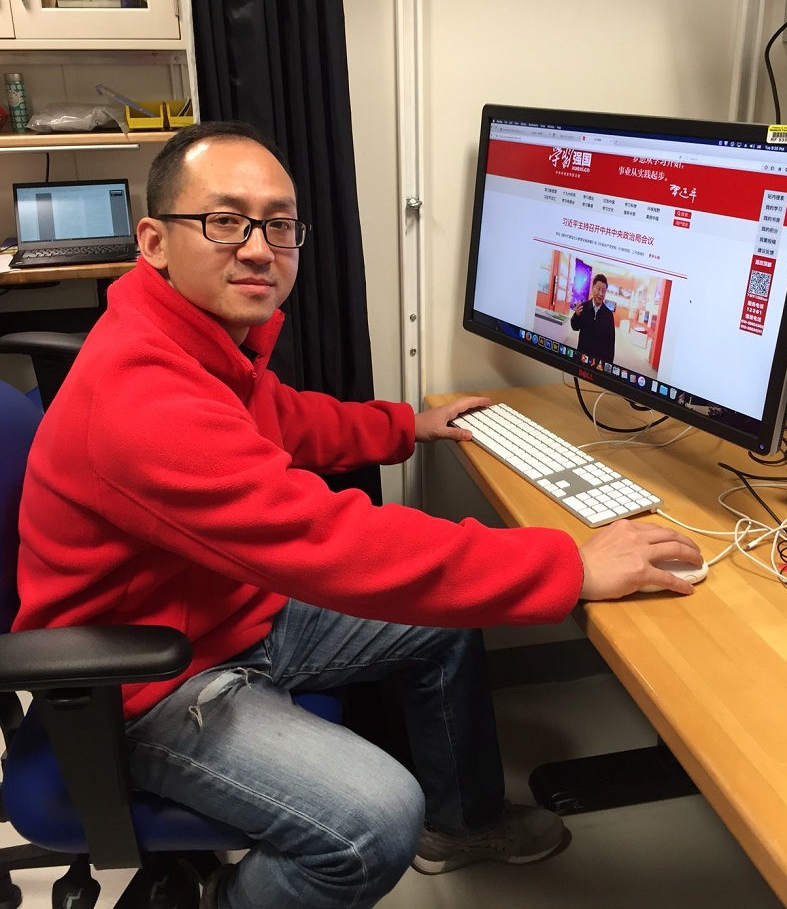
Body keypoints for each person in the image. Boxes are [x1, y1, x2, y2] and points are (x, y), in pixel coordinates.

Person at [13, 122, 702, 909]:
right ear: (155, 241)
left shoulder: (189, 339)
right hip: (149, 679)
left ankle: (464, 825)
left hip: (226, 612)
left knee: (442, 623)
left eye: (278, 224)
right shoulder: (145, 398)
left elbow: (282, 418)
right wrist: (569, 566)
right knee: (374, 822)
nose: (258, 249)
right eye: (225, 221)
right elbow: (328, 541)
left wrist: (405, 426)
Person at [570, 273, 616, 364]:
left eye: (603, 290)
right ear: (592, 287)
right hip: (583, 357)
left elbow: (611, 342)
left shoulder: (608, 315)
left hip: (599, 361)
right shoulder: (583, 308)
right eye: (598, 289)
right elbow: (575, 327)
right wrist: (576, 316)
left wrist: (609, 364)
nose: (601, 294)